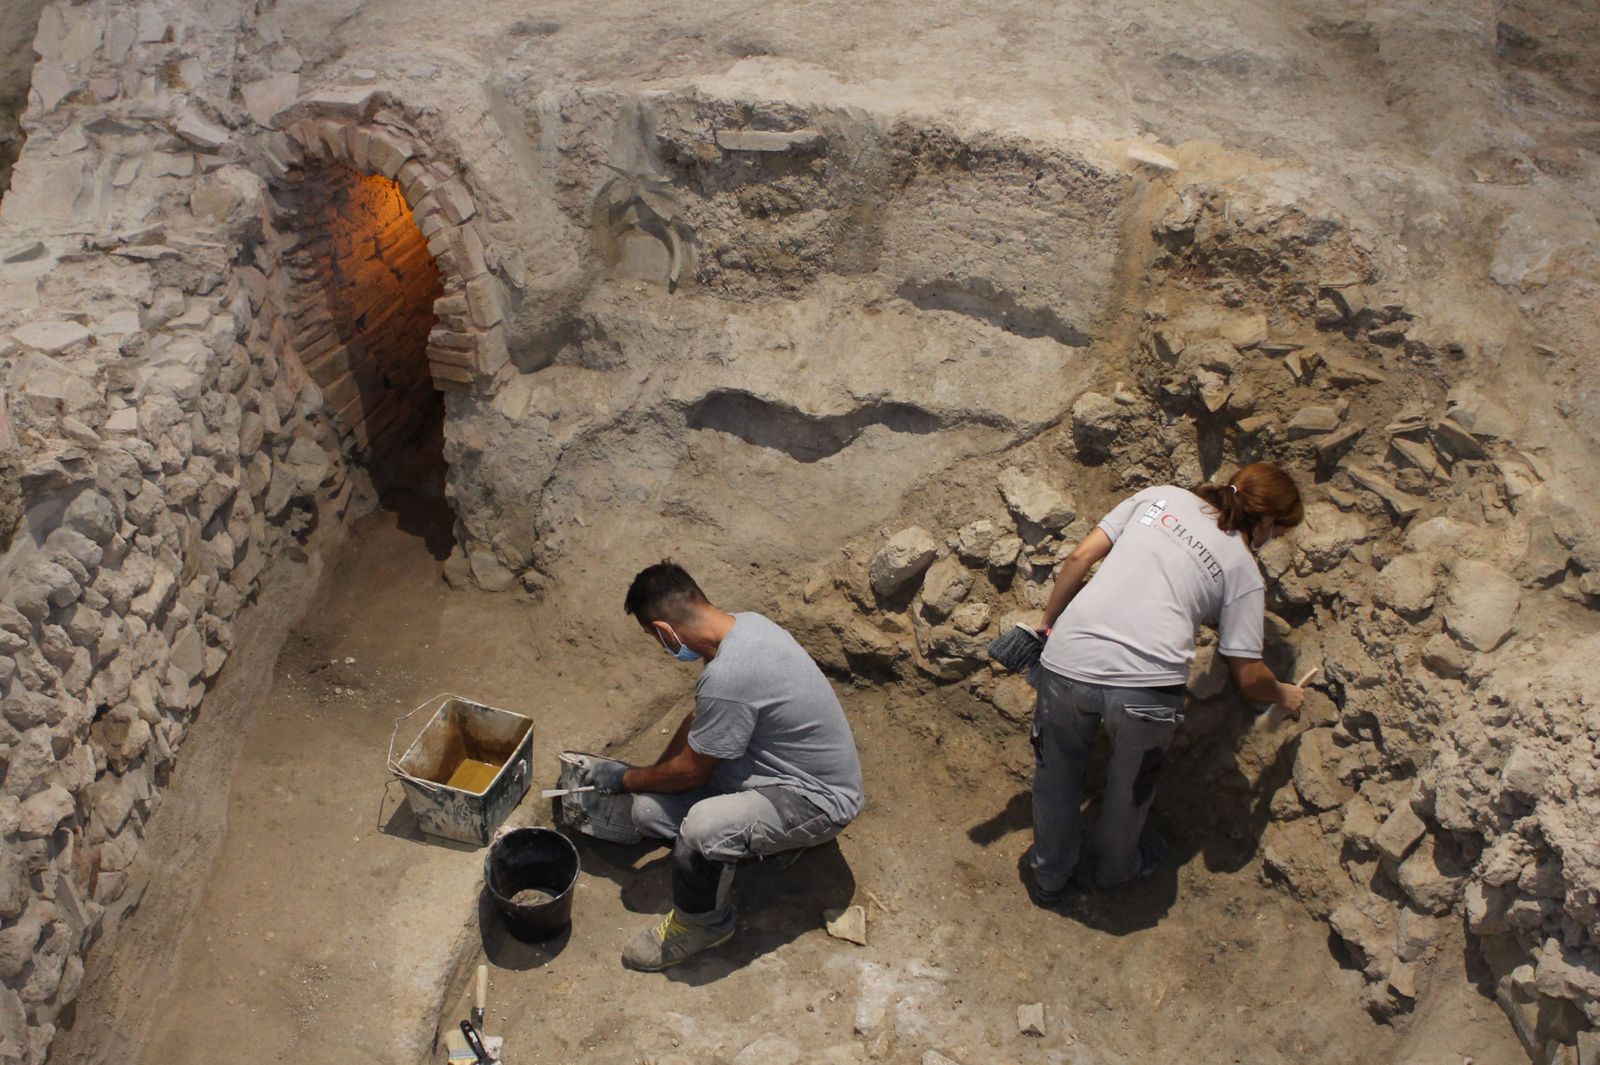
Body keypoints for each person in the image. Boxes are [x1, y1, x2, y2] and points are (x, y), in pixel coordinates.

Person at [1027, 462, 1308, 903]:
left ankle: (1049, 879)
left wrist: (1047, 624)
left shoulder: (1159, 497)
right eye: (1280, 530)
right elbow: (1249, 675)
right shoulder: (1244, 572)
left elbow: (1080, 557)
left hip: (1068, 661)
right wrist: (1283, 694)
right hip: (1147, 687)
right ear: (1268, 522)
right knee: (1130, 789)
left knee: (1056, 777)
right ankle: (1116, 870)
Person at [580, 562, 865, 971]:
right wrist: (652, 782)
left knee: (701, 827)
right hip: (774, 769)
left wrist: (627, 778)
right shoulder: (745, 626)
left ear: (665, 631)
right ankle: (760, 844)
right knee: (647, 810)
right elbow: (701, 720)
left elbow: (692, 773)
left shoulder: (731, 674)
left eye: (655, 639)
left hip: (817, 800)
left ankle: (704, 925)